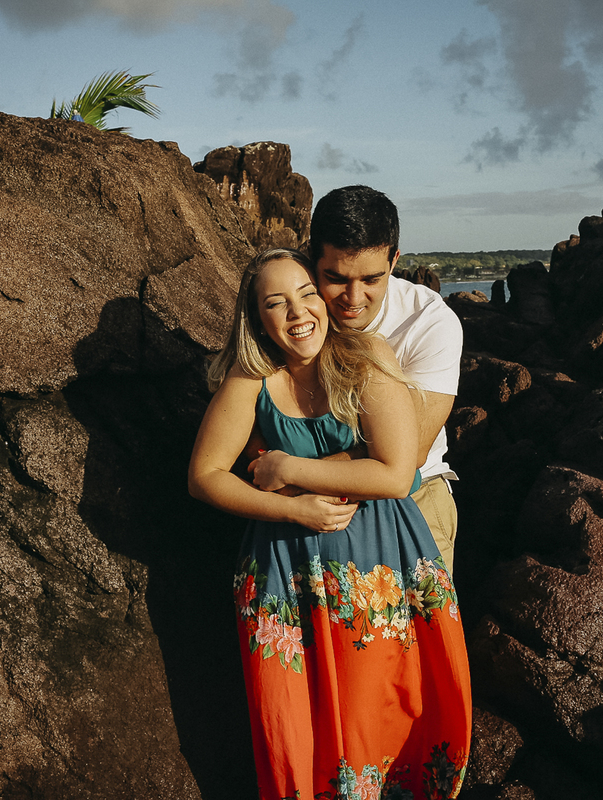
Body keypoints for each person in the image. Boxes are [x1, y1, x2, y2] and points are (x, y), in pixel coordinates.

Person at [188, 248, 471, 798]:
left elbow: (394, 472)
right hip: (284, 573)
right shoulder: (251, 379)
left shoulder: (365, 356)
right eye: (276, 303)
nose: (298, 313)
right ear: (257, 319)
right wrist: (293, 507)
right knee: (292, 719)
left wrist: (287, 467)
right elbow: (204, 476)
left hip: (378, 567)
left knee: (381, 711)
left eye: (306, 294)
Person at [309, 185, 464, 571]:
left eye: (371, 280)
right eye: (336, 277)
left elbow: (407, 455)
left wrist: (292, 476)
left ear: (394, 260)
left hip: (414, 498)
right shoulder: (294, 309)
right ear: (312, 258)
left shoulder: (429, 322)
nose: (353, 297)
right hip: (308, 505)